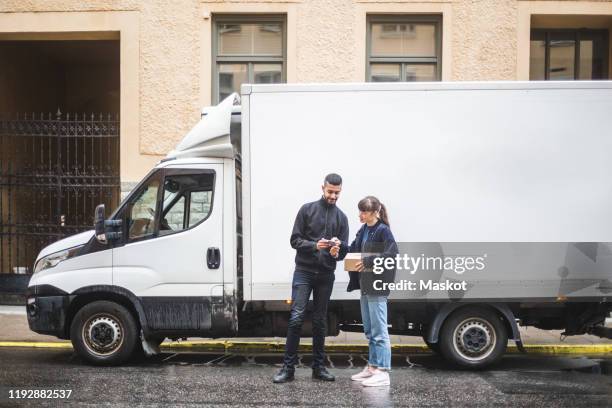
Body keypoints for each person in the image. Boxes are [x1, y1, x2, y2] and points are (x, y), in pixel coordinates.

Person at [273, 173, 349, 383]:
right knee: (296, 318)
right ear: (322, 188)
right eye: (330, 191)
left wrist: (336, 252)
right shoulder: (307, 209)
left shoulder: (342, 217)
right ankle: (288, 369)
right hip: (304, 272)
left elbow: (343, 251)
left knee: (319, 321)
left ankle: (319, 368)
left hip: (326, 275)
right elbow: (294, 240)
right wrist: (315, 245)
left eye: (337, 192)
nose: (333, 196)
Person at [346, 196, 398, 387]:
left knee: (379, 330)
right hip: (365, 285)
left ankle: (383, 372)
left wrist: (368, 261)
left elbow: (392, 254)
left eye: (364, 211)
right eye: (360, 211)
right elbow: (352, 249)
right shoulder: (364, 229)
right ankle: (373, 367)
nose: (360, 214)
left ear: (375, 212)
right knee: (370, 330)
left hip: (377, 285)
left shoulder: (383, 230)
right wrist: (337, 247)